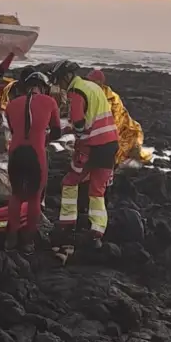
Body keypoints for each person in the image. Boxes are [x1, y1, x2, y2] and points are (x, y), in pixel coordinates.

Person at [51, 60, 118, 243]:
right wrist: (70, 129)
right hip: (110, 144)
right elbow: (94, 118)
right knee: (97, 189)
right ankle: (97, 231)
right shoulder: (93, 87)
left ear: (67, 77)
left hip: (91, 146)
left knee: (70, 182)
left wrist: (74, 136)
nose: (60, 85)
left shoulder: (76, 91)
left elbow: (79, 122)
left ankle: (67, 222)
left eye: (59, 80)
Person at [4, 71, 62, 252]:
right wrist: (45, 139)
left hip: (15, 153)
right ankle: (28, 241)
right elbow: (57, 131)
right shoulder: (50, 102)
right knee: (34, 197)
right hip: (36, 153)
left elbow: (13, 130)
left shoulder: (11, 105)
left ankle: (11, 237)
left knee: (16, 194)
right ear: (43, 88)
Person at [86, 69, 151, 166]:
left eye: (93, 82)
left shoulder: (112, 98)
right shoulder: (88, 94)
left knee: (118, 155)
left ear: (100, 83)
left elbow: (117, 118)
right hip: (101, 129)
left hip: (123, 128)